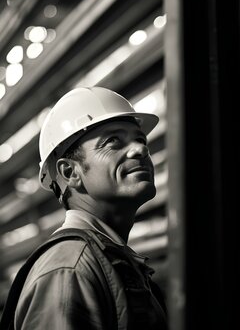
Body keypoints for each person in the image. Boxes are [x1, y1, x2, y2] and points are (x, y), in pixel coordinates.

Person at [6, 87, 168, 329]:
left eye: (140, 139)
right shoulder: (68, 269)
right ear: (70, 172)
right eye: (113, 142)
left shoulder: (109, 260)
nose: (141, 149)